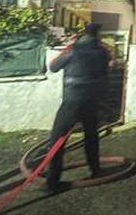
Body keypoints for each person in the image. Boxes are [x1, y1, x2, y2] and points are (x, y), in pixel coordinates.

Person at [44, 23, 111, 193]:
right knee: (91, 136)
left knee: (58, 140)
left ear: (83, 34)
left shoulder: (72, 50)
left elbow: (52, 67)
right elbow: (104, 73)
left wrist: (68, 46)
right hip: (92, 100)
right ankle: (95, 170)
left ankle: (52, 181)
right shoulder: (103, 52)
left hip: (72, 101)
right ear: (97, 35)